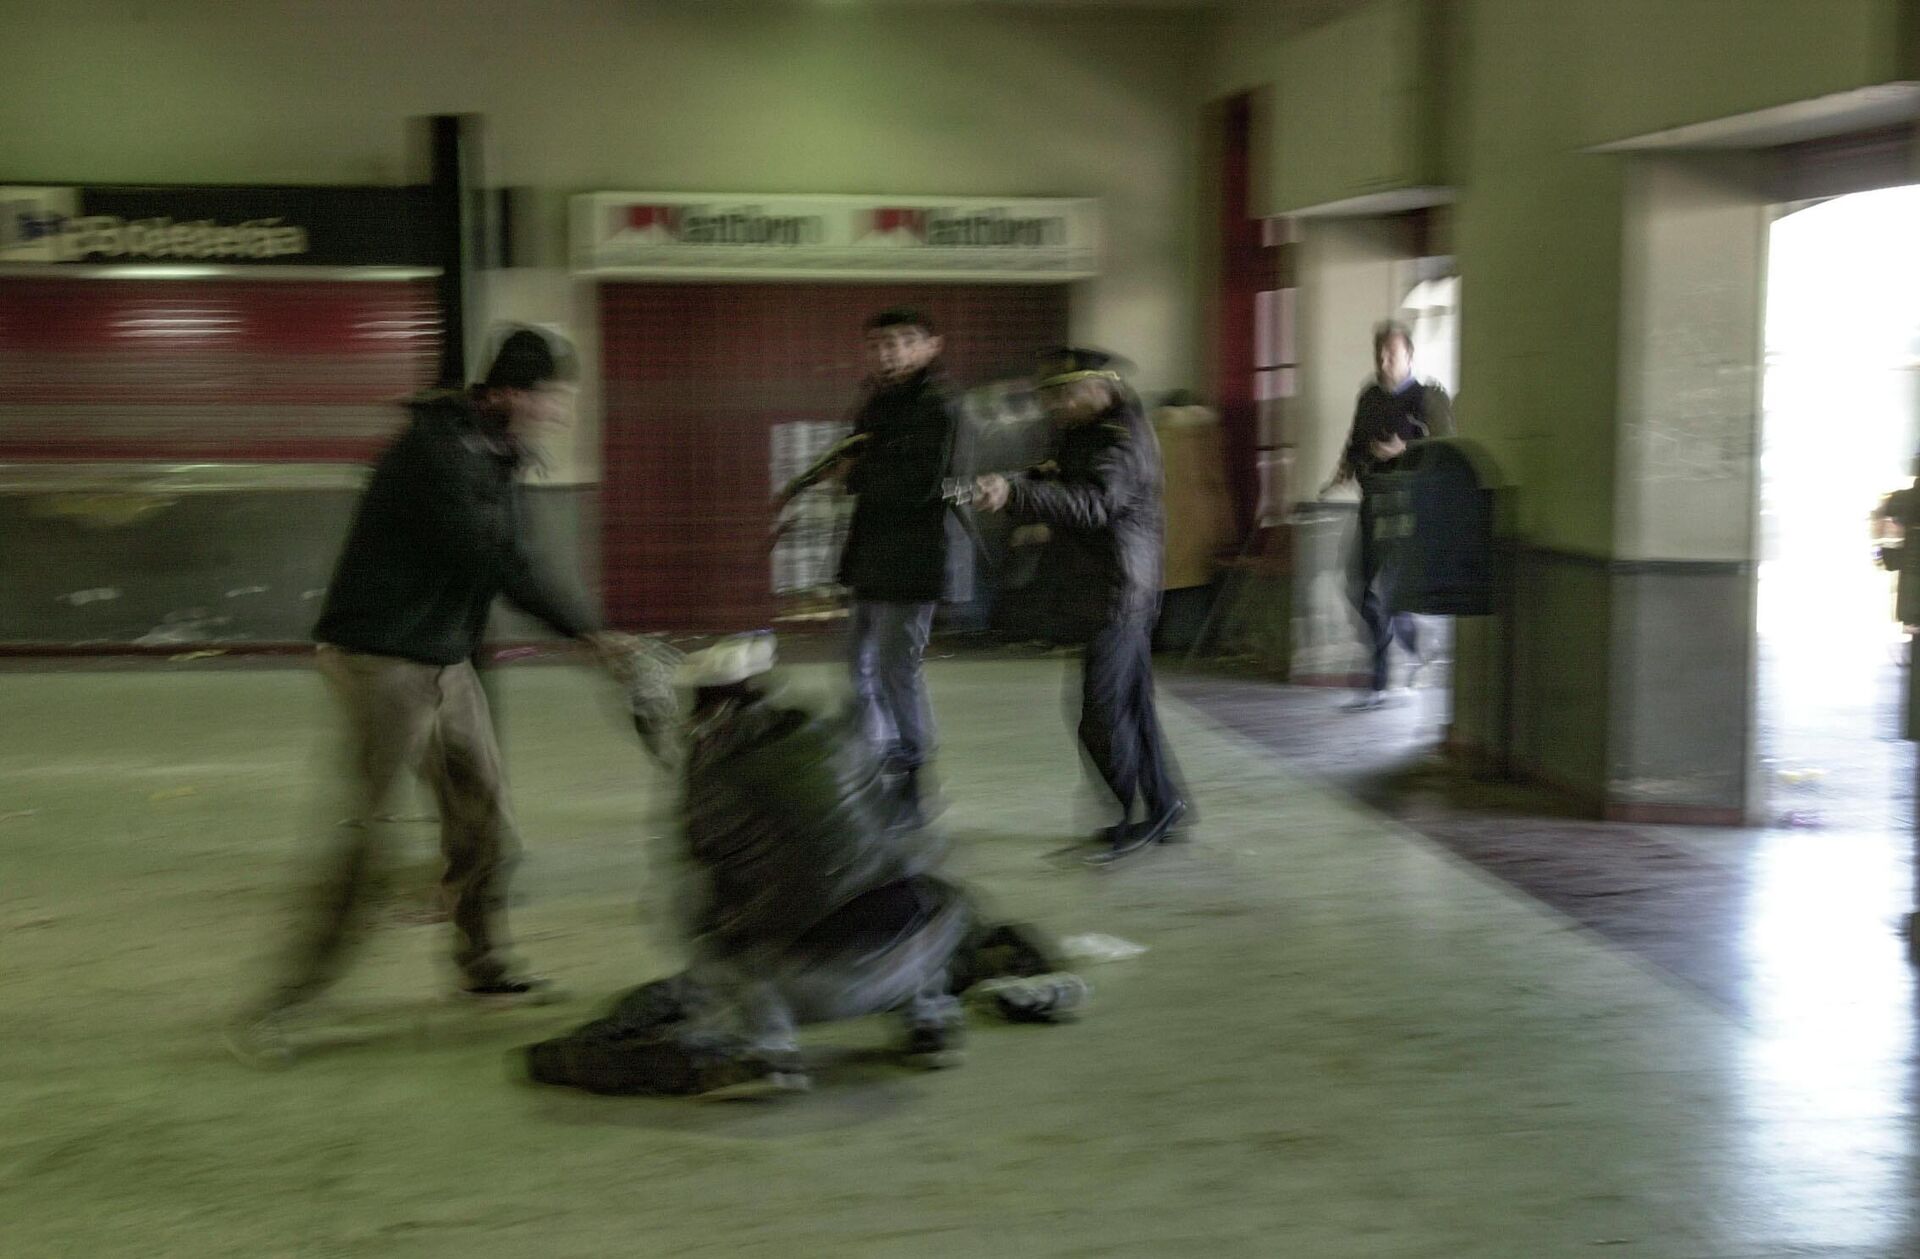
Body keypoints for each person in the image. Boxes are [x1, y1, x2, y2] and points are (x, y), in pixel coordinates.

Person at [230, 326, 637, 1065]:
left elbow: (513, 555)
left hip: (445, 662)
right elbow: (496, 559)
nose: (558, 414)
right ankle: (282, 1006)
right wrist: (589, 635)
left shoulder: (497, 451)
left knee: (485, 825)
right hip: (380, 658)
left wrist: (587, 633)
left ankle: (482, 967)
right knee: (368, 842)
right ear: (508, 392)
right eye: (550, 399)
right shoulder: (435, 454)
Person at [524, 634, 1084, 1098]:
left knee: (716, 945)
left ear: (704, 707)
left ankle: (766, 1047)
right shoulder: (835, 733)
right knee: (908, 884)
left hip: (825, 983)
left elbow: (702, 914)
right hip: (925, 944)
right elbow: (912, 839)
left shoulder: (712, 778)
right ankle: (928, 1013)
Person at [973, 347, 1187, 866]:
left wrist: (1017, 496)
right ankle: (1163, 806)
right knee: (1131, 708)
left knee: (1102, 713)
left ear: (1101, 387)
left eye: (1064, 393)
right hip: (1112, 585)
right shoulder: (1087, 432)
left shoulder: (1120, 439)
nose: (1055, 404)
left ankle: (1132, 814)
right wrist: (1025, 481)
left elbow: (1094, 503)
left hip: (1119, 590)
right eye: (1049, 395)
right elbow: (1066, 479)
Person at [832, 308, 974, 825]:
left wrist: (857, 470)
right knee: (859, 665)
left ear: (932, 346)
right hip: (872, 551)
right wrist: (854, 470)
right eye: (877, 343)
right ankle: (877, 764)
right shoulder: (877, 401)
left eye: (902, 341)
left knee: (897, 669)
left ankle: (914, 781)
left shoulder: (940, 405)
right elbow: (856, 469)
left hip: (915, 555)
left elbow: (920, 484)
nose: (888, 352)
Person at [1322, 320, 1453, 710]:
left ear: (1409, 354)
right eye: (1379, 353)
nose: (1383, 361)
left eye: (1391, 353)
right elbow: (1355, 442)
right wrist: (1341, 474)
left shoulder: (1425, 398)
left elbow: (1445, 449)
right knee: (1359, 587)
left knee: (1384, 594)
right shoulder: (1369, 397)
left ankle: (1382, 681)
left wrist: (1404, 450)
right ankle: (1412, 644)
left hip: (1408, 510)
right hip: (1373, 504)